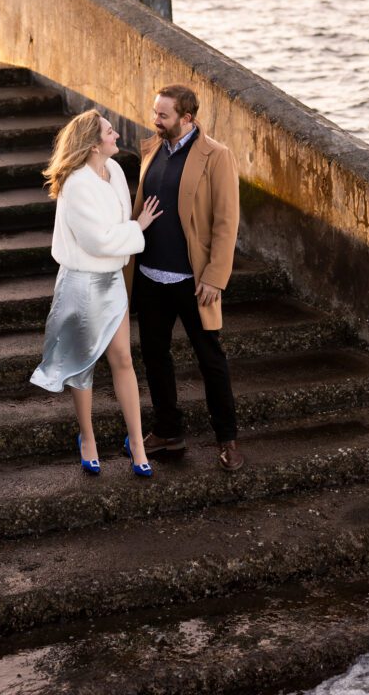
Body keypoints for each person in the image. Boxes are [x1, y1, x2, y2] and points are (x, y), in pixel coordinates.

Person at [30, 108, 162, 477]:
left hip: (112, 281)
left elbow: (112, 235)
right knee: (83, 365)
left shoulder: (115, 171)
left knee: (123, 359)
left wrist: (130, 231)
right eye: (109, 132)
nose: (117, 135)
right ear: (92, 145)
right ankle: (87, 438)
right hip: (83, 283)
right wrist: (138, 228)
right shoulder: (76, 185)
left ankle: (135, 442)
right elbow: (98, 240)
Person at [127, 84, 244, 471]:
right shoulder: (152, 148)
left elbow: (227, 222)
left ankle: (227, 439)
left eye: (163, 115)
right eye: (155, 112)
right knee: (155, 357)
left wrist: (215, 277)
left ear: (187, 118)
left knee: (211, 360)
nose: (155, 120)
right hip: (149, 275)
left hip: (193, 282)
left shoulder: (217, 156)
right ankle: (167, 430)